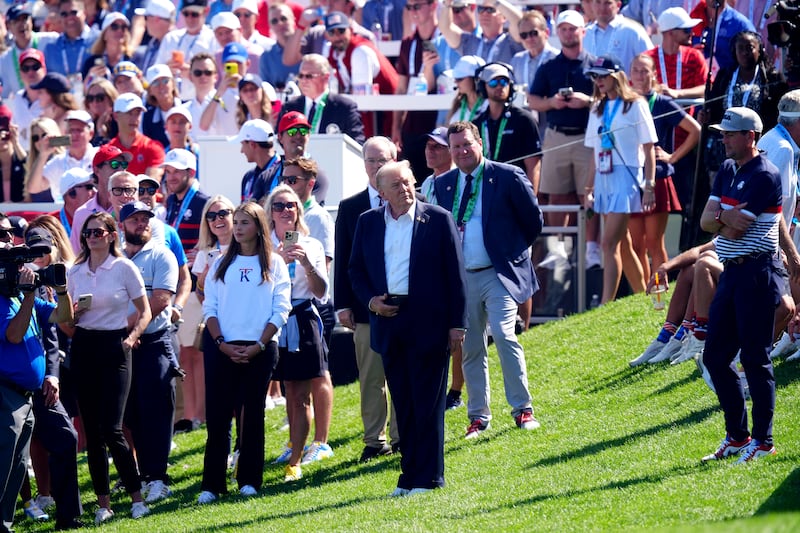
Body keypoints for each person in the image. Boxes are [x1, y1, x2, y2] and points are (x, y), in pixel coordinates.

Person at [349, 160, 467, 496]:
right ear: (381, 191)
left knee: (428, 404)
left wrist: (457, 325)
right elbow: (355, 270)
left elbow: (455, 276)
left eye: (407, 182)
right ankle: (409, 476)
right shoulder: (368, 222)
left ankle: (430, 478)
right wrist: (371, 302)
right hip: (388, 318)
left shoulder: (437, 218)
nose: (404, 190)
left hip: (428, 320)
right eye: (395, 185)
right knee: (404, 403)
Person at [699, 107, 800, 464]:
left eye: (729, 133)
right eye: (723, 133)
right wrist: (723, 216)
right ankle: (738, 436)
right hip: (732, 272)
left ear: (749, 137)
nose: (723, 138)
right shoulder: (727, 169)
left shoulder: (765, 175)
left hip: (759, 273)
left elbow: (736, 229)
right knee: (714, 356)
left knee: (755, 358)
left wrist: (720, 219)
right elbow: (705, 222)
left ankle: (764, 440)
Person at [434, 121, 542, 439]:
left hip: (498, 274)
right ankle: (478, 417)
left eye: (467, 144)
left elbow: (533, 220)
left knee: (505, 336)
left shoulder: (506, 175)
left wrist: (510, 252)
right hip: (463, 278)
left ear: (479, 143)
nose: (462, 151)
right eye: (455, 147)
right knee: (469, 347)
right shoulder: (445, 184)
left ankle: (523, 410)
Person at [198, 202, 291, 503]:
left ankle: (249, 479)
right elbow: (209, 307)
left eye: (244, 222)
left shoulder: (274, 264)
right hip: (221, 347)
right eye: (235, 222)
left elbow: (281, 309)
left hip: (261, 348)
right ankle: (212, 484)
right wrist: (221, 343)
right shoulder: (220, 262)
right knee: (218, 417)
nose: (236, 228)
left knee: (252, 415)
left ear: (258, 226)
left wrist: (259, 345)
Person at [65, 211, 152, 524]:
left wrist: (132, 338)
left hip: (116, 346)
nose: (92, 237)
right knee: (91, 431)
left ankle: (136, 497)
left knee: (113, 428)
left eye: (98, 232)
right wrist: (71, 316)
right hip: (85, 346)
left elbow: (145, 311)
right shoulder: (74, 271)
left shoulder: (124, 267)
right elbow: (66, 321)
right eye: (88, 232)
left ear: (112, 234)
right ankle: (104, 503)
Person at [0, 212, 73, 533]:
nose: (7, 239)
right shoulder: (11, 294)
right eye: (0, 235)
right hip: (5, 393)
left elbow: (62, 316)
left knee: (16, 467)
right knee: (3, 466)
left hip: (26, 395)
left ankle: (5, 523)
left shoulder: (16, 285)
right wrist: (29, 295)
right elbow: (14, 335)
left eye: (7, 234)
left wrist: (60, 289)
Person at [334, 136, 400, 461]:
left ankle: (404, 435)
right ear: (363, 165)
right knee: (371, 377)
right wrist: (343, 304)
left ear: (395, 159)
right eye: (371, 161)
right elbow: (345, 260)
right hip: (363, 310)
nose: (377, 167)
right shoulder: (349, 208)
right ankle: (375, 440)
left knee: (402, 372)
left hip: (405, 307)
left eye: (382, 160)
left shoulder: (410, 202)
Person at [264, 185, 331, 482]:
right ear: (270, 213)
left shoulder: (312, 245)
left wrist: (304, 263)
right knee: (289, 389)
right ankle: (294, 443)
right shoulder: (263, 247)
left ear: (299, 211)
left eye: (291, 205)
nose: (285, 211)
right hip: (274, 320)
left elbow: (321, 292)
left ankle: (296, 461)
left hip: (302, 317)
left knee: (302, 391)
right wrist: (276, 261)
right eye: (278, 206)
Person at [529, 10, 600, 270]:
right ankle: (559, 250)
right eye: (564, 29)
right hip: (557, 135)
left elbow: (612, 97)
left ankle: (592, 248)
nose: (568, 34)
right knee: (557, 197)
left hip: (587, 137)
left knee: (588, 196)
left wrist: (587, 101)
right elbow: (533, 99)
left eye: (573, 29)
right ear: (558, 33)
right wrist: (552, 102)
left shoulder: (595, 64)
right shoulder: (548, 66)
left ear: (583, 31)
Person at [583, 56, 656, 304]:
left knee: (608, 242)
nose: (599, 81)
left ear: (616, 75)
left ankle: (605, 304)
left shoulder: (635, 104)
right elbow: (594, 153)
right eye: (595, 76)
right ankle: (642, 296)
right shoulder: (597, 108)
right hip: (604, 177)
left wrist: (649, 185)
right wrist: (588, 188)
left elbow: (648, 149)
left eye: (603, 75)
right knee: (621, 244)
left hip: (626, 176)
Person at [119, 201, 179, 504]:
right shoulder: (114, 257)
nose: (141, 223)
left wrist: (129, 329)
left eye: (145, 218)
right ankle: (141, 474)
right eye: (134, 219)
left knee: (156, 410)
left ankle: (158, 477)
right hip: (122, 345)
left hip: (153, 341)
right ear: (122, 225)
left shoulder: (161, 254)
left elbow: (161, 299)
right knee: (131, 414)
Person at [627, 54, 699, 282]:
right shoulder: (625, 103)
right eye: (636, 70)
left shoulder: (662, 102)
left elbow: (695, 130)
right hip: (631, 177)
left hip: (657, 177)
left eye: (644, 70)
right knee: (635, 243)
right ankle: (640, 295)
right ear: (629, 75)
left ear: (653, 74)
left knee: (654, 242)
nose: (640, 75)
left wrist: (672, 157)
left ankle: (658, 289)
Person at [700, 31, 787, 177]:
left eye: (750, 48)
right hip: (724, 147)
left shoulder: (772, 77)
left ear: (760, 50)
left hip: (756, 147)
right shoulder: (725, 75)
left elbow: (776, 114)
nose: (745, 52)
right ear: (734, 51)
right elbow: (714, 109)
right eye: (740, 48)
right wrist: (707, 117)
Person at [191, 195, 237, 427]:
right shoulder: (204, 253)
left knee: (242, 394)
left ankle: (242, 448)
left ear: (233, 214)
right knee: (219, 393)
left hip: (242, 325)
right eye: (211, 216)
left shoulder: (247, 246)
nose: (217, 219)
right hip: (216, 326)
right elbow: (202, 298)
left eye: (223, 213)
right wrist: (201, 280)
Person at [324, 11, 398, 136]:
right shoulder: (333, 51)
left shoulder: (360, 51)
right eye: (332, 32)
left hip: (389, 111)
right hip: (375, 110)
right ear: (327, 35)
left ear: (350, 29)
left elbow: (361, 97)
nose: (337, 36)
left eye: (341, 31)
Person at [391, 0, 443, 179]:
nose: (413, 11)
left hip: (439, 125)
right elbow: (401, 87)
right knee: (414, 182)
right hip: (412, 126)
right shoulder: (408, 43)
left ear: (433, 5)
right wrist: (396, 126)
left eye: (417, 6)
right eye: (409, 7)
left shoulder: (444, 38)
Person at [278, 53, 365, 143]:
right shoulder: (289, 108)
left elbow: (357, 143)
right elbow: (279, 140)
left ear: (326, 77)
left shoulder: (345, 107)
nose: (303, 81)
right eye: (301, 76)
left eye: (309, 76)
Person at [68, 144, 132, 252]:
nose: (121, 169)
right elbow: (77, 255)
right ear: (97, 170)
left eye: (124, 165)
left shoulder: (132, 208)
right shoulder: (82, 213)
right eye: (114, 164)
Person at [28, 109, 98, 203]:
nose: (74, 134)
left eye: (79, 130)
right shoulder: (57, 162)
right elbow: (33, 188)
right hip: (63, 215)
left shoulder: (99, 156)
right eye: (71, 130)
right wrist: (43, 155)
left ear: (91, 134)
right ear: (65, 133)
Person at [155, 0, 217, 101]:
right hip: (173, 101)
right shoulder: (171, 38)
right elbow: (156, 70)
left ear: (206, 11)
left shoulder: (213, 39)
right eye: (186, 14)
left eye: (195, 14)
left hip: (201, 101)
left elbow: (216, 74)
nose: (190, 18)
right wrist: (167, 70)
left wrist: (192, 73)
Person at [644, 7, 707, 101]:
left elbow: (707, 88)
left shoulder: (694, 56)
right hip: (655, 115)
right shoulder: (647, 59)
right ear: (671, 32)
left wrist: (678, 93)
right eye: (687, 30)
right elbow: (635, 89)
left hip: (687, 115)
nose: (692, 33)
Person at [0, 4, 58, 99]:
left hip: (52, 103)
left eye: (25, 19)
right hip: (25, 108)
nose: (22, 24)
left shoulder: (50, 40)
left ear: (31, 21)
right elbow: (4, 94)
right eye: (16, 21)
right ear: (8, 26)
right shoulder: (5, 59)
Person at [438, 0, 523, 65]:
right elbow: (446, 28)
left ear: (504, 17)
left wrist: (495, 1)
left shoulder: (510, 42)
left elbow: (520, 23)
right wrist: (447, 4)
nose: (484, 13)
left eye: (490, 10)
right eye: (481, 9)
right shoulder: (470, 43)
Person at [583, 0, 652, 77]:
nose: (602, 8)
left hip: (625, 88)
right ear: (592, 5)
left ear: (618, 5)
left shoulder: (633, 31)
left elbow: (650, 62)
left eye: (607, 3)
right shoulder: (585, 33)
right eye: (598, 2)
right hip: (590, 87)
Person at [108, 92, 166, 178]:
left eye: (137, 113)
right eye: (129, 113)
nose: (135, 118)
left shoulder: (154, 147)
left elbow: (150, 186)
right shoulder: (108, 150)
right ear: (116, 116)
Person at [42, 0, 97, 82]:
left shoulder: (98, 40)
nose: (69, 18)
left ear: (84, 13)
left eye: (74, 12)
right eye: (64, 14)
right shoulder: (51, 48)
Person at [8, 49, 48, 152]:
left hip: (51, 157)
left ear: (44, 69)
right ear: (20, 73)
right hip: (23, 157)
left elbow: (67, 139)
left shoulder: (54, 97)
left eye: (35, 67)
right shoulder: (17, 98)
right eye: (25, 68)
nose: (30, 72)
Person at [233, 118, 279, 203]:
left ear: (252, 145)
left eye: (242, 145)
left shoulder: (283, 172)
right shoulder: (248, 176)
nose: (241, 151)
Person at [80, 12, 133, 83]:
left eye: (124, 27)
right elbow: (85, 91)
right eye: (114, 27)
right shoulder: (92, 63)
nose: (120, 30)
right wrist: (90, 77)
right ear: (104, 34)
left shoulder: (133, 58)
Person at [24, 118, 65, 203]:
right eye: (35, 138)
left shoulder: (64, 160)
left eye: (44, 136)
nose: (40, 141)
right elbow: (30, 193)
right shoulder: (32, 163)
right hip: (40, 213)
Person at [143, 64, 181, 149]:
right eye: (155, 83)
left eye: (165, 81)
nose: (161, 86)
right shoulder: (147, 117)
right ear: (150, 91)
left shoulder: (187, 108)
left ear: (173, 84)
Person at [132, 0, 175, 73]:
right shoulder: (154, 42)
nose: (145, 22)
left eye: (146, 18)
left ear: (156, 19)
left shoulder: (176, 43)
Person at [54, 168, 96, 237]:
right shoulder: (50, 224)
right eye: (89, 187)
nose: (95, 192)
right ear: (72, 194)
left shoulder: (101, 219)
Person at [445, 55, 487, 125]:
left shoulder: (489, 105)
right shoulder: (458, 107)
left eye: (459, 78)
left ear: (476, 79)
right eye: (455, 78)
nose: (455, 82)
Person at [0, 110, 26, 203]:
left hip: (21, 212)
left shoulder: (19, 158)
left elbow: (28, 165)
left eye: (6, 131)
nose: (2, 135)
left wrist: (16, 142)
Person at [84, 78, 119, 146]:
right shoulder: (84, 121)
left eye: (99, 98)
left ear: (111, 99)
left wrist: (101, 132)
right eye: (90, 98)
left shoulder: (118, 121)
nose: (95, 102)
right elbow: (65, 142)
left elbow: (109, 152)